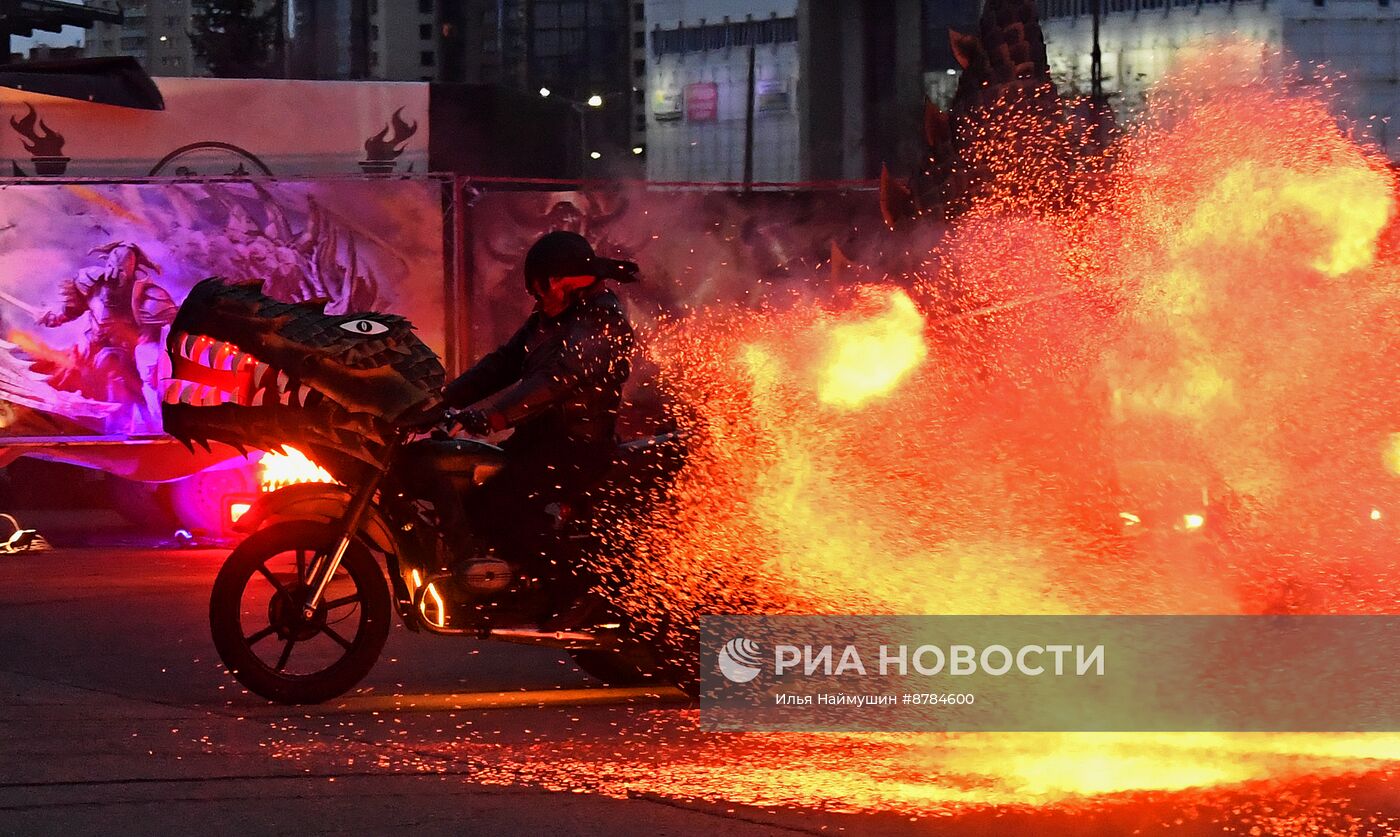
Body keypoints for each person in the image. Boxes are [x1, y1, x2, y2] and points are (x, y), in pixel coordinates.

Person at [441, 230, 639, 562]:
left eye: (538, 289)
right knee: (472, 495)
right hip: (539, 440)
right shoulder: (552, 317)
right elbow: (504, 363)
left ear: (562, 282)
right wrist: (442, 399)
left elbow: (558, 378)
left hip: (576, 446)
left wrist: (490, 417)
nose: (536, 299)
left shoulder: (602, 318)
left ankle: (553, 590)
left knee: (498, 505)